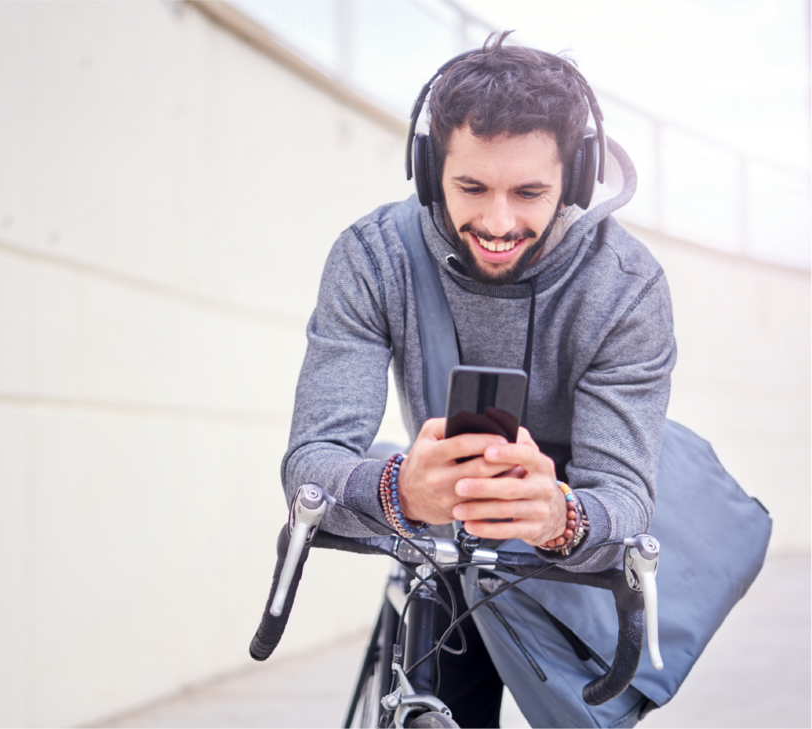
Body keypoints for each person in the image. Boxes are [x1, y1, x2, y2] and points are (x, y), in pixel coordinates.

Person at [281, 32, 676, 729]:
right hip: (441, 548)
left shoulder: (627, 287)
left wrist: (560, 514)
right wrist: (398, 488)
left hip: (571, 565)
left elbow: (623, 497)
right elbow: (312, 463)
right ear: (431, 169)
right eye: (471, 187)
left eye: (529, 192)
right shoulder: (373, 260)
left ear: (578, 177)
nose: (498, 222)